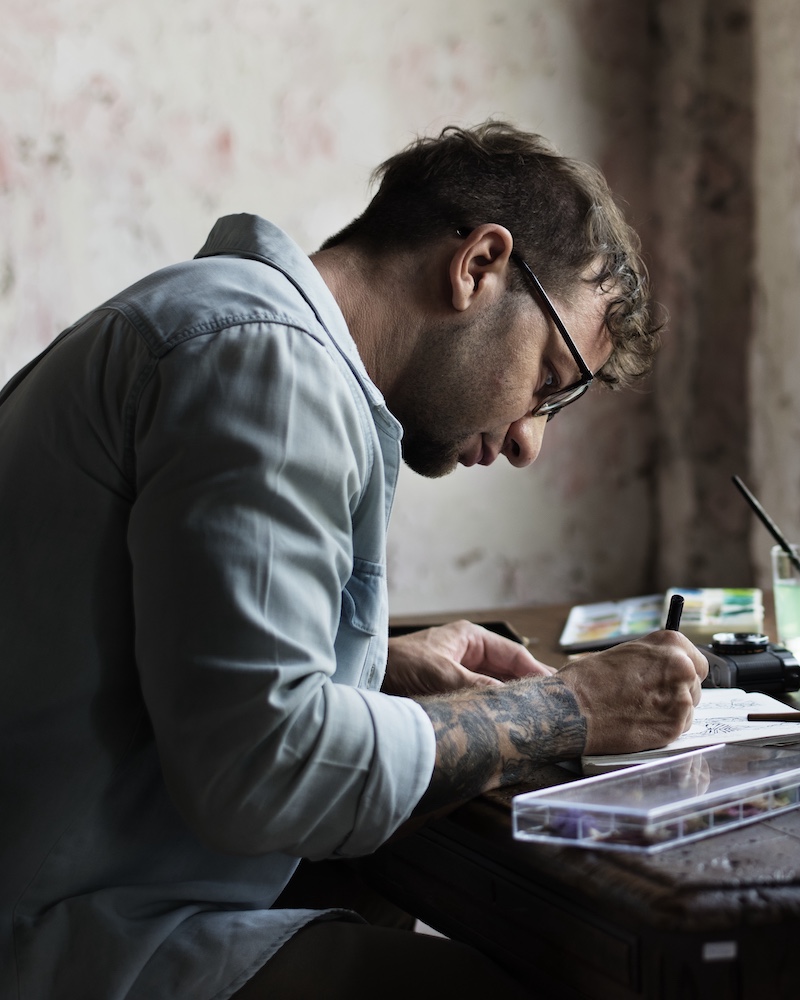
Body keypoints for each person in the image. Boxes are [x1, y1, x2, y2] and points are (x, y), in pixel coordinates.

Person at [0, 121, 707, 999]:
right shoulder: (264, 360)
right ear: (479, 265)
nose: (530, 441)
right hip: (65, 938)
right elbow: (264, 770)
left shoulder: (233, 331)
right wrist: (567, 709)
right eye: (550, 381)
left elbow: (179, 672)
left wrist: (371, 672)